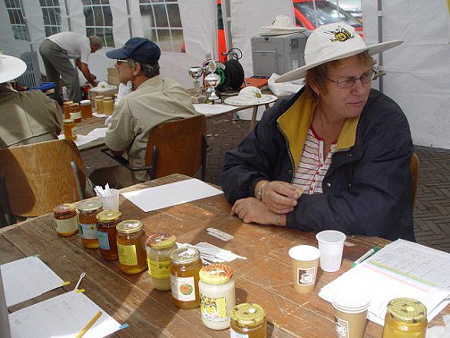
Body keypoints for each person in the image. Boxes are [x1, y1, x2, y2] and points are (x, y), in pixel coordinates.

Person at [221, 23, 415, 241]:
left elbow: (374, 210)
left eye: (366, 76)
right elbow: (233, 167)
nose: (360, 89)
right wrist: (261, 188)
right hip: (288, 246)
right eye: (346, 80)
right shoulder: (286, 115)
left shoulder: (385, 121)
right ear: (316, 85)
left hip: (364, 255)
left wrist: (280, 216)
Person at [90, 37, 198, 188]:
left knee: (96, 176)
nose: (116, 65)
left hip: (149, 179)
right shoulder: (176, 87)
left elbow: (116, 149)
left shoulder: (130, 103)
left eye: (120, 61)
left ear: (136, 68)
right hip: (188, 170)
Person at [0, 54, 62, 149]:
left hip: (14, 164)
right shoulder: (38, 97)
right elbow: (59, 127)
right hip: (59, 160)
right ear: (10, 80)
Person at [39, 32, 103, 103]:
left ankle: (54, 101)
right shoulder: (86, 45)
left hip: (44, 46)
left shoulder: (81, 40)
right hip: (53, 48)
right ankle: (75, 104)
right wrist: (93, 83)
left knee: (53, 77)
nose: (94, 52)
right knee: (72, 75)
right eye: (95, 50)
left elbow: (79, 64)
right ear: (94, 45)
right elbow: (84, 67)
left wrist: (89, 75)